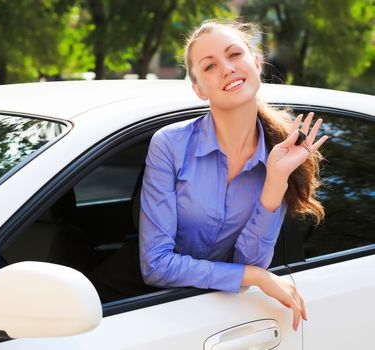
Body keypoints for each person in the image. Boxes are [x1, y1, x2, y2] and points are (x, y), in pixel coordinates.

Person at [139, 19, 328, 332]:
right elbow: (156, 265)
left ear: (255, 63)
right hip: (147, 309)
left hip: (222, 318)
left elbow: (248, 259)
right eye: (210, 66)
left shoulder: (280, 155)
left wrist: (275, 180)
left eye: (235, 55)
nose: (227, 68)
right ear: (198, 88)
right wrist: (256, 278)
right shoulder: (170, 145)